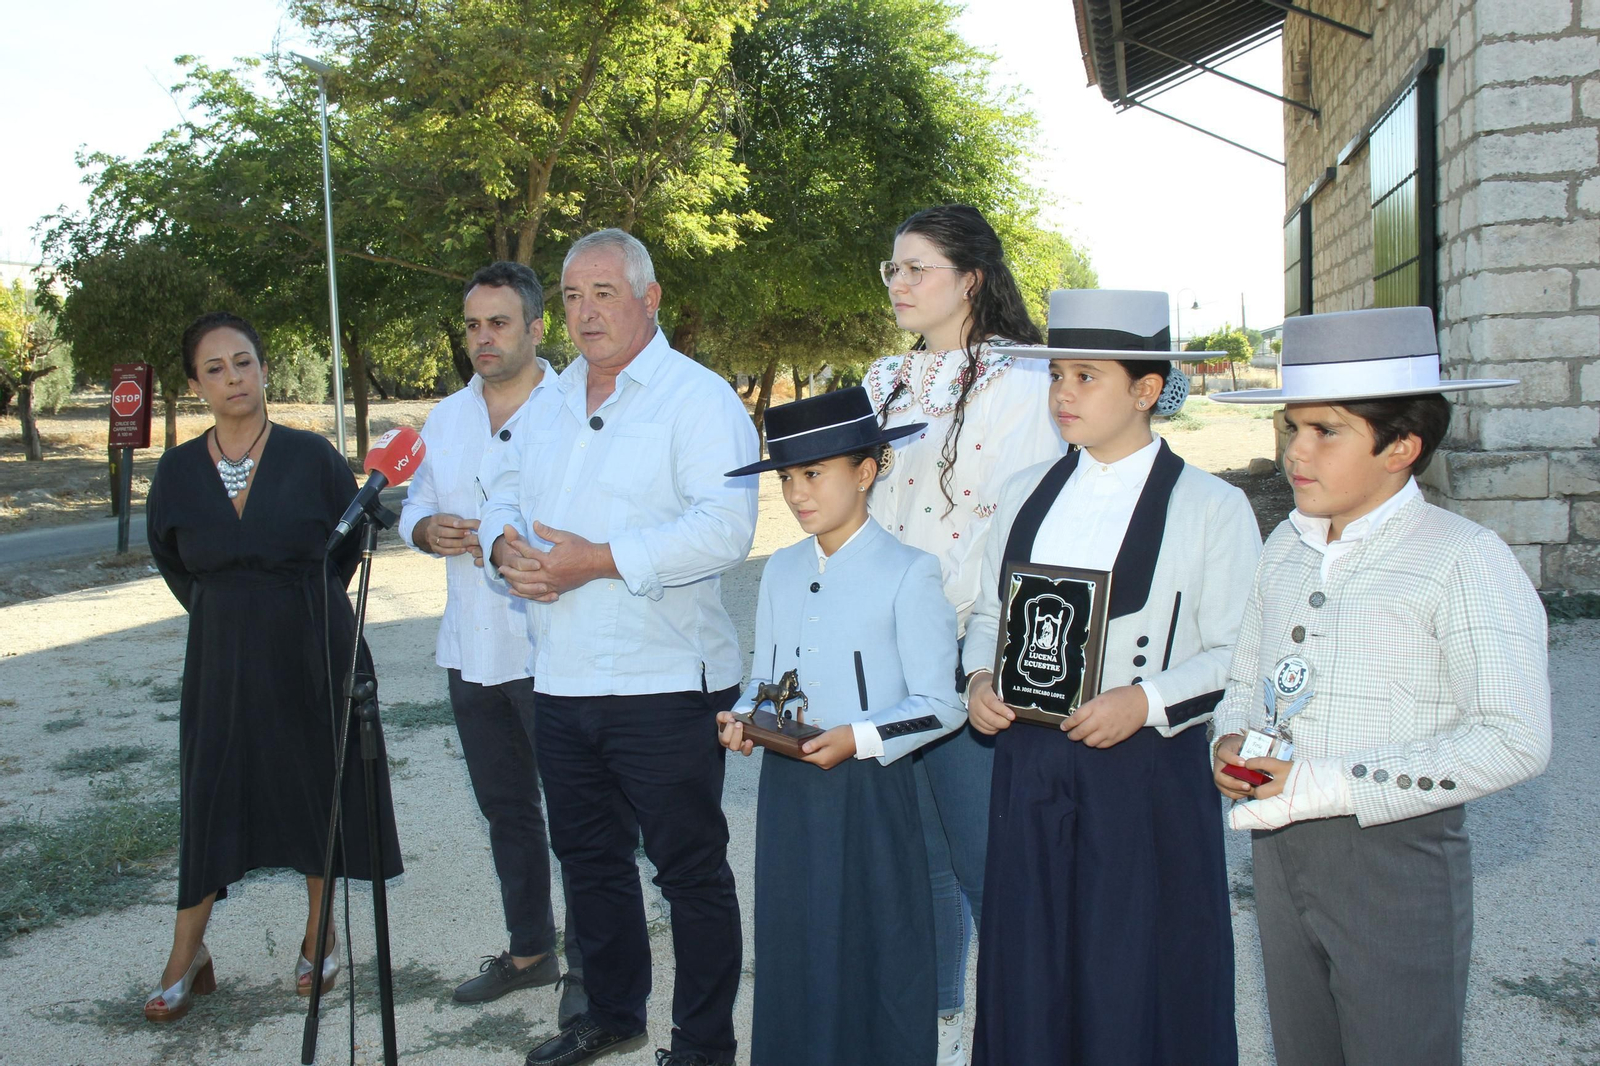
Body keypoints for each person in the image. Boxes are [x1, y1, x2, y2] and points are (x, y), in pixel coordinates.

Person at [1208, 307, 1551, 1066]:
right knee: (1305, 1046)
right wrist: (1230, 737)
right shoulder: (1286, 545)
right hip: (1279, 847)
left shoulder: (1462, 558)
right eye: (1292, 427)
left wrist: (1327, 783)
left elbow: (1515, 737)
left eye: (1325, 431)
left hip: (1394, 855)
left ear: (1402, 447)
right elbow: (1245, 675)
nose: (1296, 451)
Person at [480, 229, 758, 1066]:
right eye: (572, 296)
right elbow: (500, 491)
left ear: (650, 298)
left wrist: (596, 561)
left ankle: (703, 1046)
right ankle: (609, 1014)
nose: (586, 312)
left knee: (689, 873)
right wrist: (504, 549)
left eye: (604, 293)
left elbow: (725, 528)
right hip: (563, 678)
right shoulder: (549, 401)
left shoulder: (698, 399)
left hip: (664, 680)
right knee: (590, 860)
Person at [962, 290, 1260, 1064]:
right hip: (1029, 765)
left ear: (1146, 389)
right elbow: (990, 613)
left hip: (1144, 771)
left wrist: (1146, 699)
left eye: (1087, 376)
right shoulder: (1025, 491)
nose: (1064, 393)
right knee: (1031, 959)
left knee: (1133, 964)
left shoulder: (1212, 507)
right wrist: (978, 680)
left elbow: (1239, 652)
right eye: (1058, 375)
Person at [143, 312, 402, 1022]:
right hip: (220, 654)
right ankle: (187, 953)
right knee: (211, 790)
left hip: (311, 640)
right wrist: (230, 607)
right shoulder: (175, 471)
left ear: (263, 369)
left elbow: (342, 548)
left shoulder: (311, 456)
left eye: (244, 362)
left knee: (316, 780)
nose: (233, 378)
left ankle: (320, 936)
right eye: (215, 368)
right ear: (195, 384)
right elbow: (172, 560)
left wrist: (295, 602)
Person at [865, 203, 1066, 1060]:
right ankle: (941, 1019)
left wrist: (991, 652)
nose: (899, 283)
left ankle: (1023, 1031)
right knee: (918, 854)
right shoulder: (884, 381)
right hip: (887, 644)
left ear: (971, 278)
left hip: (973, 645)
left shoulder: (1030, 383)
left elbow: (1034, 527)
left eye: (918, 268)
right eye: (893, 269)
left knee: (989, 857)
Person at [716, 387, 964, 1066]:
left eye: (814, 473)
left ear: (866, 470)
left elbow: (942, 704)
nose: (797, 493)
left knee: (874, 942)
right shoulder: (781, 569)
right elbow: (767, 678)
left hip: (870, 793)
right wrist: (743, 717)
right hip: (790, 792)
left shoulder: (910, 572)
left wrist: (862, 737)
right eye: (787, 477)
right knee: (795, 938)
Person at [397, 261, 594, 1024]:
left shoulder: (573, 411)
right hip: (471, 650)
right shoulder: (446, 418)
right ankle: (530, 950)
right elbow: (414, 502)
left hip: (551, 648)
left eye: (500, 323)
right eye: (474, 325)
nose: (484, 337)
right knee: (505, 809)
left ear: (537, 328)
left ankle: (592, 965)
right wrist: (426, 528)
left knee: (577, 812)